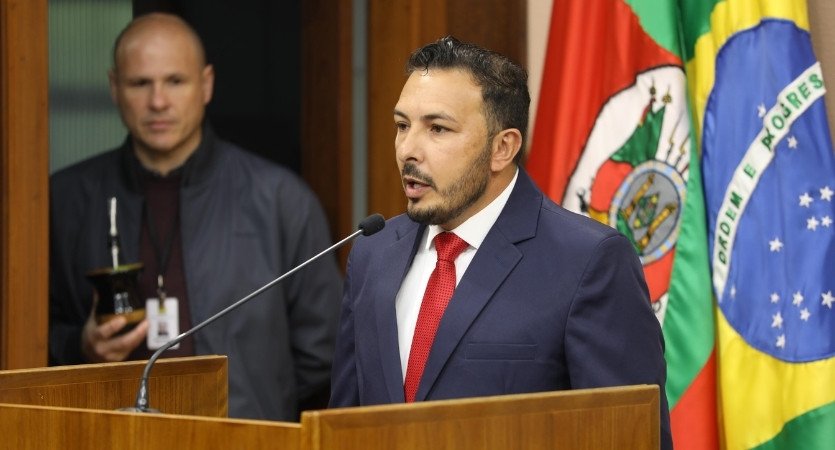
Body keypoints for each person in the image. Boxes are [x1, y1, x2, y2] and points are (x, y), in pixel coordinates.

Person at [328, 36, 673, 448]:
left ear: (502, 148)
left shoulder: (588, 262)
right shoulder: (373, 252)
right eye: (403, 126)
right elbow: (341, 427)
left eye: (437, 129)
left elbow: (629, 437)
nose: (408, 150)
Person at [48, 13, 342, 421]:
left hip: (242, 437)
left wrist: (257, 405)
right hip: (110, 435)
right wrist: (81, 347)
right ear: (114, 87)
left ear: (206, 84)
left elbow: (324, 349)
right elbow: (29, 336)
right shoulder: (64, 200)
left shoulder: (280, 199)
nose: (158, 101)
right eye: (140, 83)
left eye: (175, 81)